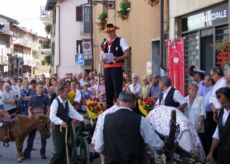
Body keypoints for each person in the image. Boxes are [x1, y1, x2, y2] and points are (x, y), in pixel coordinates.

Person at [94, 91, 164, 164]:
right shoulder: (140, 120)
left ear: (117, 102)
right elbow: (156, 143)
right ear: (134, 104)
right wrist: (162, 148)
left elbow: (98, 147)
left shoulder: (105, 119)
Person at [49, 83, 84, 164]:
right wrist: (61, 122)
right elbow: (52, 116)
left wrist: (82, 119)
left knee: (66, 149)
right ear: (61, 93)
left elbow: (72, 112)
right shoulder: (56, 102)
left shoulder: (66, 101)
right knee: (59, 151)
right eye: (66, 92)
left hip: (66, 128)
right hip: (57, 129)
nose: (67, 93)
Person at [101, 23, 130, 108]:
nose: (110, 34)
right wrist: (103, 59)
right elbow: (102, 56)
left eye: (112, 32)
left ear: (114, 31)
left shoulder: (121, 40)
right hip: (107, 69)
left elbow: (128, 54)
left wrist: (119, 57)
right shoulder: (104, 42)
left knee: (117, 90)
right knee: (108, 90)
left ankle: (119, 108)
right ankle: (110, 109)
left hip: (116, 68)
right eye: (108, 32)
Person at [23, 82, 50, 159]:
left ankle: (43, 153)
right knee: (31, 137)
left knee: (43, 137)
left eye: (42, 88)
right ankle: (27, 153)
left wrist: (47, 117)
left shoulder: (46, 98)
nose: (41, 89)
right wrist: (29, 113)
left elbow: (48, 108)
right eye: (39, 87)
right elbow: (29, 108)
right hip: (34, 121)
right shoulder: (32, 98)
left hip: (42, 121)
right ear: (36, 88)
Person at [206, 87, 230, 164]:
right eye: (221, 103)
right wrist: (211, 152)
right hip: (222, 154)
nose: (222, 105)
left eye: (225, 102)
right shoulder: (220, 112)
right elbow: (217, 134)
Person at [203, 75, 216, 154]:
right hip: (208, 114)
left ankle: (212, 154)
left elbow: (208, 104)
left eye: (205, 79)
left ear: (210, 81)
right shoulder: (209, 91)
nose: (204, 81)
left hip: (211, 114)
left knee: (210, 135)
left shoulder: (213, 91)